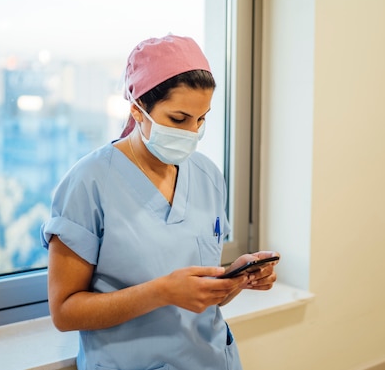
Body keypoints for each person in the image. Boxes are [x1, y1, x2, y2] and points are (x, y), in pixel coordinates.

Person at [41, 34, 279, 370]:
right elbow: (65, 312)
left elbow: (199, 297)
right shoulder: (89, 183)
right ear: (138, 110)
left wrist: (236, 278)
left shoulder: (208, 176)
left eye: (202, 119)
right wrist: (161, 292)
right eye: (178, 120)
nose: (192, 132)